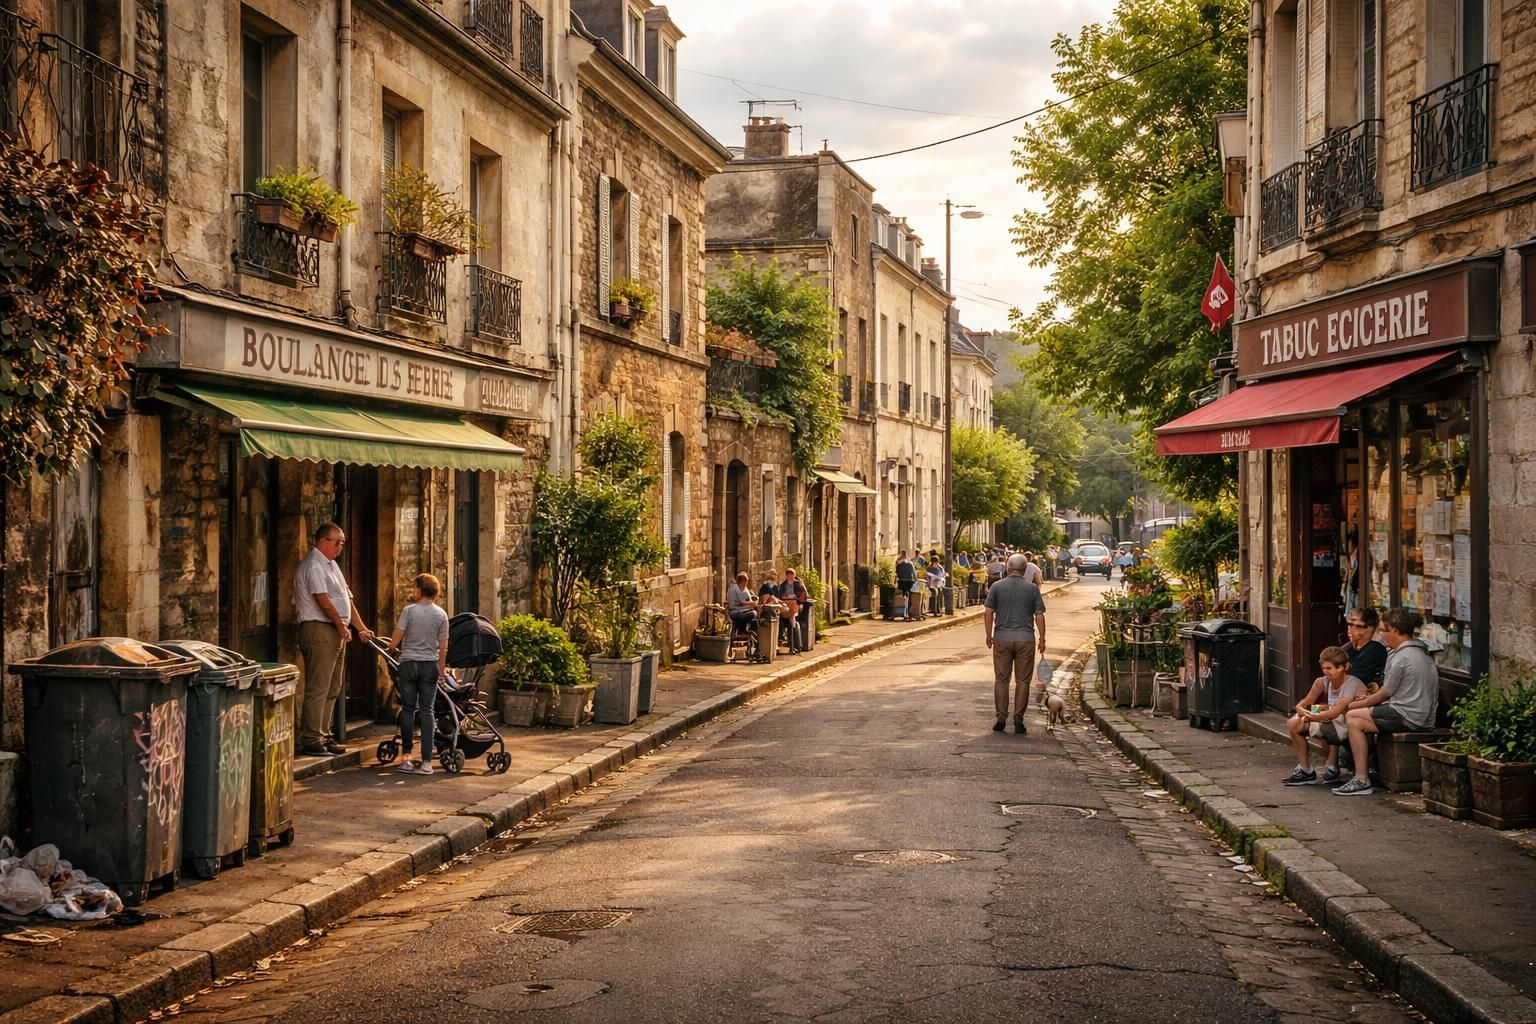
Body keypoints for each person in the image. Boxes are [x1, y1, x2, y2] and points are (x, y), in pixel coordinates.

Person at [1334, 609, 1440, 797]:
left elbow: (1383, 694)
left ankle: (1361, 778)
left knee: (1353, 717)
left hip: (1408, 716)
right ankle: (1367, 770)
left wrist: (1351, 705)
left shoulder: (1402, 656)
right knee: (1359, 715)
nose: (1381, 635)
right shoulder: (1420, 651)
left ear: (1395, 630)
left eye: (1383, 630)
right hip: (1419, 713)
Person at [295, 522, 374, 757]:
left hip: (336, 630)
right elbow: (322, 599)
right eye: (337, 542)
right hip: (320, 629)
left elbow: (345, 600)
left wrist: (360, 627)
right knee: (319, 686)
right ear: (323, 541)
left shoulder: (332, 566)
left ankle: (324, 733)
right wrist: (341, 625)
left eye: (343, 543)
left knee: (333, 686)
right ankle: (312, 738)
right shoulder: (313, 565)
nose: (340, 547)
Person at [386, 573, 449, 776]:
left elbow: (398, 634)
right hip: (429, 664)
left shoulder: (409, 611)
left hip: (409, 663)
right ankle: (427, 763)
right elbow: (443, 647)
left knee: (407, 709)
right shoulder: (441, 615)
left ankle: (406, 758)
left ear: (419, 589)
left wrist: (391, 647)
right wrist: (441, 670)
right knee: (427, 711)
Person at [1281, 646, 1365, 786]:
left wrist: (1310, 717)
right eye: (1323, 668)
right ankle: (1305, 769)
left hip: (1347, 725)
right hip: (1330, 722)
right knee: (1293, 723)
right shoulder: (1322, 681)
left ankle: (1334, 765)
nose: (1326, 672)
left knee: (1312, 722)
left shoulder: (1351, 683)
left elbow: (1335, 712)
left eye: (1329, 668)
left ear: (1342, 668)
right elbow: (1303, 703)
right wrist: (1303, 711)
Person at [983, 553, 1048, 735]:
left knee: (1002, 680)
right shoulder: (1032, 589)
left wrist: (989, 635)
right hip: (1025, 639)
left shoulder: (997, 586)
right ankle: (1019, 717)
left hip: (1002, 638)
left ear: (1008, 567)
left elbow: (988, 612)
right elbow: (1039, 615)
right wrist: (1042, 638)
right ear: (1026, 569)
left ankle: (1001, 716)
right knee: (1023, 681)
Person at [1342, 607, 1388, 690]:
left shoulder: (1375, 650)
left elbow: (1355, 675)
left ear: (1370, 628)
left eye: (1357, 626)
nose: (1350, 630)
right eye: (1349, 625)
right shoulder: (1346, 649)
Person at [781, 568, 811, 650]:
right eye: (788, 575)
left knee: (792, 613)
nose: (790, 576)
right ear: (786, 576)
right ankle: (791, 639)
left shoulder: (798, 585)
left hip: (797, 604)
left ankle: (795, 642)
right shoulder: (783, 585)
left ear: (794, 575)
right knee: (787, 614)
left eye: (792, 575)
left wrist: (796, 598)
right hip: (786, 604)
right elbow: (780, 596)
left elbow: (804, 597)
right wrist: (785, 597)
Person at [895, 551, 917, 619]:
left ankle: (903, 611)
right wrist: (916, 579)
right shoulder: (910, 564)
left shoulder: (899, 564)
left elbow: (896, 574)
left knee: (902, 596)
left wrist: (895, 581)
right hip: (909, 581)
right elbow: (914, 573)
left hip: (901, 581)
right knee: (910, 596)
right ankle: (909, 612)